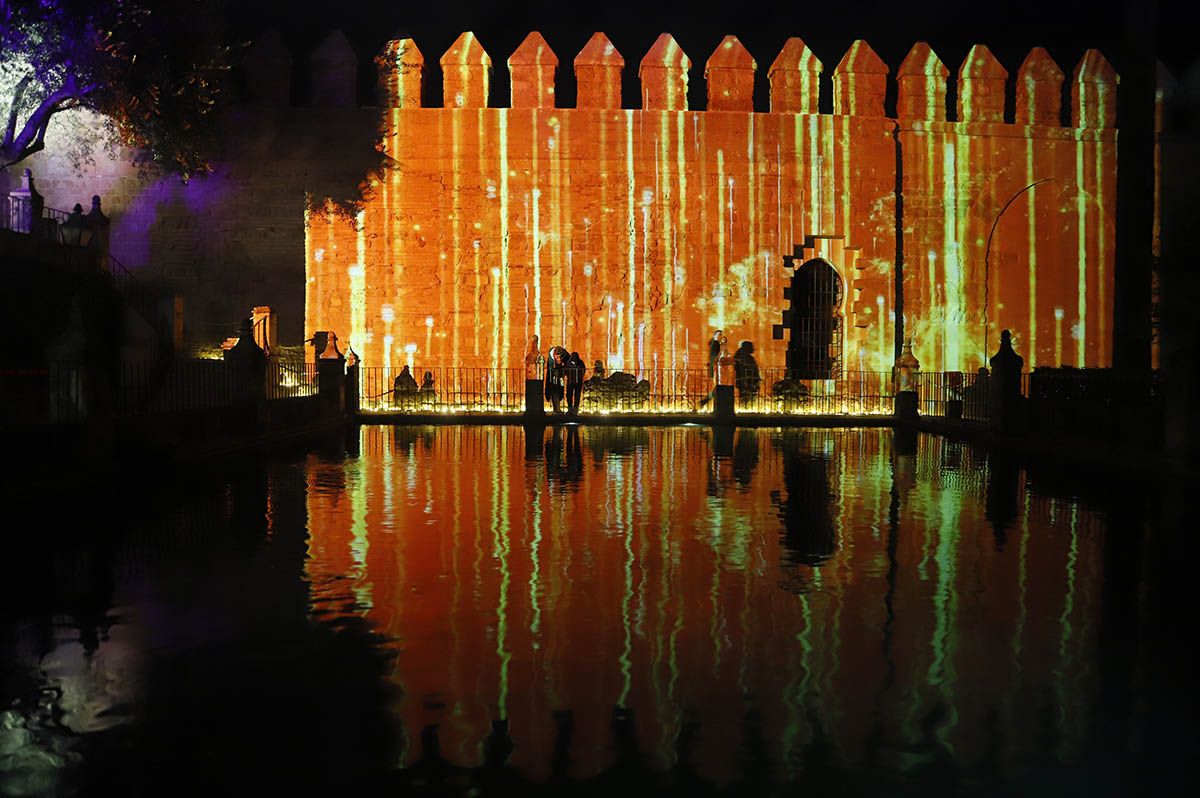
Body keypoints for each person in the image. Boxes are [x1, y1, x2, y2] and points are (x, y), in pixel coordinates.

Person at [545, 346, 567, 413]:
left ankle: (557, 408)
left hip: (560, 377)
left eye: (560, 358)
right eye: (557, 357)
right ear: (554, 355)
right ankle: (556, 409)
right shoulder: (551, 360)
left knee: (560, 390)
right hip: (553, 378)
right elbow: (550, 369)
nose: (559, 359)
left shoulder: (564, 355)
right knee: (554, 391)